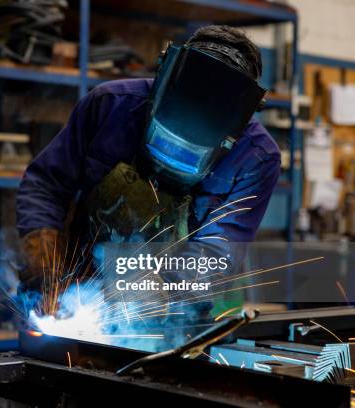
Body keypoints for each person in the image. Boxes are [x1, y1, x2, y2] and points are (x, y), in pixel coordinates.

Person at [16, 25, 281, 292]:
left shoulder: (256, 158)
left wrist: (160, 290)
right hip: (77, 286)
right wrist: (42, 250)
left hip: (177, 314)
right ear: (164, 76)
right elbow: (45, 185)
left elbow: (218, 251)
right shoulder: (109, 105)